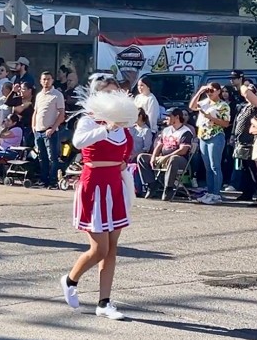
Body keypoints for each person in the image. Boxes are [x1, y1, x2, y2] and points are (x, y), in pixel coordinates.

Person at [61, 74, 132, 320]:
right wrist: (105, 128)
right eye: (108, 93)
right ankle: (70, 280)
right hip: (94, 185)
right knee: (99, 248)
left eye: (116, 93)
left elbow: (124, 154)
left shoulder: (122, 125)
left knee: (112, 248)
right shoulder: (88, 121)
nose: (113, 98)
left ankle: (104, 302)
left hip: (114, 186)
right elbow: (78, 142)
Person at [137, 108, 193, 201]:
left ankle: (168, 188)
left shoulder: (185, 132)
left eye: (169, 117)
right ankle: (151, 184)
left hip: (179, 160)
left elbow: (183, 150)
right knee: (142, 157)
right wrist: (153, 157)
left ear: (177, 117)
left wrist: (166, 157)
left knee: (173, 159)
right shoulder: (166, 130)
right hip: (163, 158)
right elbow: (159, 146)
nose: (166, 119)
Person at [189, 82, 231, 205]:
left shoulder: (223, 105)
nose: (209, 93)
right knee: (208, 167)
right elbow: (192, 106)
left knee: (215, 166)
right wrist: (200, 91)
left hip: (215, 135)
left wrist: (210, 117)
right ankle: (210, 191)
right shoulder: (204, 102)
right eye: (208, 91)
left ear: (218, 91)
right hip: (203, 136)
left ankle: (216, 194)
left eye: (212, 90)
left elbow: (226, 123)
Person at [32, 71, 66, 188]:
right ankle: (43, 180)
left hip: (50, 131)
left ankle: (53, 181)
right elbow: (36, 112)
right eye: (44, 79)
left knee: (53, 157)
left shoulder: (57, 95)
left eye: (48, 79)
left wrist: (53, 128)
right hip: (38, 131)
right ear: (41, 81)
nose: (46, 81)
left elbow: (62, 114)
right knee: (42, 157)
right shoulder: (39, 95)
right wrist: (34, 127)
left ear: (52, 80)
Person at [232, 84, 257, 202]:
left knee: (252, 169)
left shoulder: (256, 106)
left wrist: (243, 86)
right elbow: (237, 122)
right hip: (240, 141)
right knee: (243, 169)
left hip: (250, 141)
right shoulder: (243, 107)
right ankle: (246, 192)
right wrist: (233, 135)